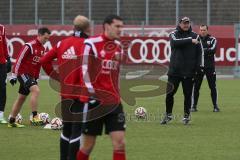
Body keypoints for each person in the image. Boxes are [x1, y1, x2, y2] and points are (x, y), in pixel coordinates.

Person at [40, 15, 91, 160]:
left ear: (73, 27)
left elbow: (44, 60)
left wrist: (57, 77)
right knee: (77, 131)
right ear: (87, 28)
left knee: (66, 130)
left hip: (65, 93)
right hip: (81, 95)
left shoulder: (62, 43)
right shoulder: (88, 44)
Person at [77, 14, 126, 160]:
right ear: (106, 26)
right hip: (94, 102)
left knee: (120, 143)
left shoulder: (119, 47)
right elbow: (84, 72)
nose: (120, 30)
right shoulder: (91, 44)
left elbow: (116, 76)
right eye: (117, 26)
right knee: (88, 145)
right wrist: (92, 94)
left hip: (114, 103)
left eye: (121, 27)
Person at [161, 17, 202, 125]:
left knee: (187, 95)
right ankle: (168, 115)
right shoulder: (174, 34)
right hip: (175, 71)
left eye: (187, 23)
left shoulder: (195, 36)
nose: (186, 25)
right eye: (184, 23)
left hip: (189, 72)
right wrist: (190, 40)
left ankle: (186, 116)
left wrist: (198, 68)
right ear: (179, 24)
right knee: (169, 94)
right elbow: (174, 43)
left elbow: (199, 54)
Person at [8, 27, 51, 128]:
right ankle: (35, 116)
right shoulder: (29, 46)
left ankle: (12, 120)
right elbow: (18, 60)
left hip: (30, 76)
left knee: (21, 98)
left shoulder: (42, 49)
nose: (46, 41)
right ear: (39, 35)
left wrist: (36, 78)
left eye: (48, 39)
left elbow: (37, 65)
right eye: (45, 38)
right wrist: (13, 75)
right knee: (36, 90)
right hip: (22, 73)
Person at [190, 25, 220, 112]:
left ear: (207, 30)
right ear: (199, 31)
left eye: (204, 30)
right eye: (201, 30)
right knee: (196, 87)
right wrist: (206, 50)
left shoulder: (213, 39)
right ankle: (194, 106)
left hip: (210, 67)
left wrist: (201, 50)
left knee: (212, 87)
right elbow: (193, 51)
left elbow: (213, 50)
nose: (202, 31)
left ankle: (215, 106)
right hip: (199, 67)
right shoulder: (196, 39)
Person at [0, 24, 11, 124]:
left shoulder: (2, 28)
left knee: (2, 88)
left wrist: (8, 58)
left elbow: (4, 44)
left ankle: (1, 115)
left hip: (1, 63)